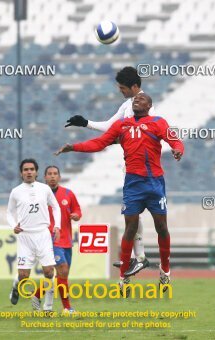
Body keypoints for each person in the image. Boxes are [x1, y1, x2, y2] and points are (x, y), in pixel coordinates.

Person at [56, 93, 184, 293]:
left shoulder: (158, 122)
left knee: (162, 227)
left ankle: (165, 271)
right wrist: (74, 147)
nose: (136, 101)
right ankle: (124, 276)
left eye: (141, 100)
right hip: (133, 184)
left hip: (154, 183)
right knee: (130, 227)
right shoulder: (121, 125)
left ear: (149, 105)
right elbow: (99, 143)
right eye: (135, 100)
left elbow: (174, 140)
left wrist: (178, 149)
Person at [64, 66, 151, 276]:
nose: (120, 91)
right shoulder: (127, 105)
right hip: (130, 168)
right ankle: (137, 258)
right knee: (131, 217)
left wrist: (117, 139)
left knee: (133, 216)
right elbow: (111, 127)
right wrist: (86, 123)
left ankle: (139, 258)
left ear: (134, 86)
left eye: (122, 88)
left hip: (143, 169)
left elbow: (142, 134)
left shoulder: (146, 107)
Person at [7, 159, 61, 313]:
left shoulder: (44, 189)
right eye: (25, 169)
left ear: (36, 172)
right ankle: (16, 286)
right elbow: (9, 213)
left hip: (43, 234)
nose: (29, 172)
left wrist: (57, 226)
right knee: (24, 275)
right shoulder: (16, 191)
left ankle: (48, 307)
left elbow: (56, 207)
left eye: (31, 169)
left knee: (49, 272)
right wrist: (13, 226)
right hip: (25, 236)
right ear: (21, 173)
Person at [33, 165, 82, 313]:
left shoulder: (68, 194)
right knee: (63, 269)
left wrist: (76, 215)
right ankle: (67, 308)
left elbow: (78, 210)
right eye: (49, 174)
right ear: (45, 177)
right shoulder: (39, 195)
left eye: (55, 174)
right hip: (49, 239)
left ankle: (37, 295)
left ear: (59, 177)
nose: (52, 176)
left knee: (62, 275)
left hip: (66, 240)